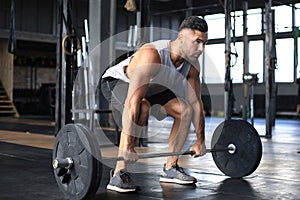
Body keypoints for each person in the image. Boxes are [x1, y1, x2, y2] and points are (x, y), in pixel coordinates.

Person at [100, 16, 208, 193]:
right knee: (142, 107)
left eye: (204, 43)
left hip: (154, 87)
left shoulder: (192, 65)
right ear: (181, 37)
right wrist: (129, 146)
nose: (201, 49)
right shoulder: (152, 54)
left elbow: (196, 103)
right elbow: (132, 101)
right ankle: (119, 173)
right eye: (197, 42)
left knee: (185, 110)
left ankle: (170, 168)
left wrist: (200, 140)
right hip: (119, 82)